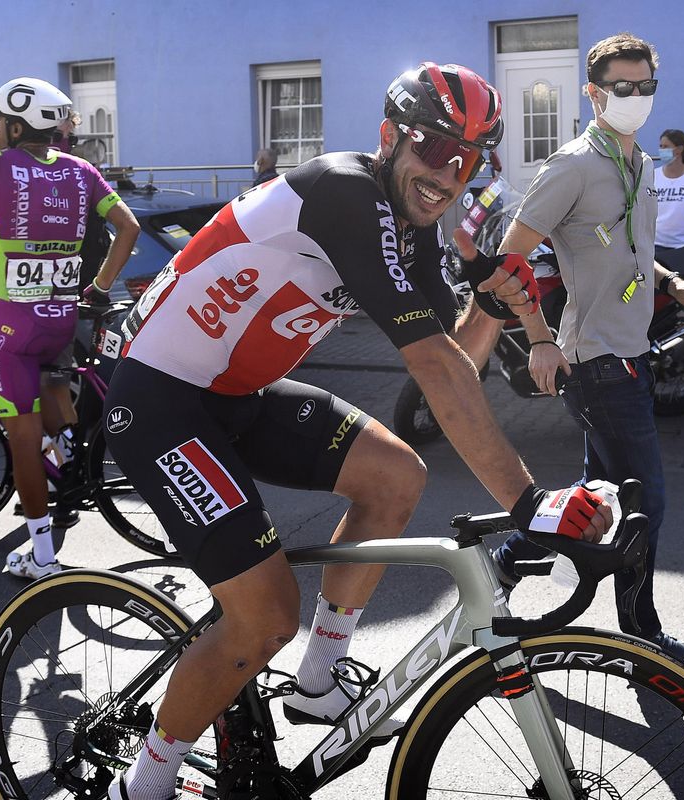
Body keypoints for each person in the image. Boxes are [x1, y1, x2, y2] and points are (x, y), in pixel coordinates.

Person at [101, 62, 612, 800]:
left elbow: (447, 369)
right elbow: (437, 370)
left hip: (236, 393)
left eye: (467, 161)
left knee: (396, 474)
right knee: (264, 617)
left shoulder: (417, 232)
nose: (448, 174)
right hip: (161, 399)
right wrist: (530, 502)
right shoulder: (345, 191)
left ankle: (320, 678)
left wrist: (492, 310)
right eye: (432, 149)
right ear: (387, 139)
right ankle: (143, 784)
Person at [486, 32, 684, 674]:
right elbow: (509, 259)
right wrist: (538, 337)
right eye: (624, 88)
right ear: (594, 94)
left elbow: (632, 250)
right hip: (595, 364)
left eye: (646, 87)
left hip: (632, 354)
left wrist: (674, 282)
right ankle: (644, 638)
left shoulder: (640, 163)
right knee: (649, 504)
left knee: (594, 498)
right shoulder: (572, 166)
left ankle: (501, 571)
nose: (637, 98)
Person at [0, 77, 141, 578]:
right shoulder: (82, 172)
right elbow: (129, 227)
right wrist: (98, 288)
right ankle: (67, 458)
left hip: (11, 327)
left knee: (22, 439)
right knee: (53, 402)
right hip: (60, 321)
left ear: (14, 126)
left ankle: (42, 556)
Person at [0, 111, 110, 480]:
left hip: (50, 299)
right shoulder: (57, 169)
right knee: (49, 391)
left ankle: (63, 469)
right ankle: (62, 470)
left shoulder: (59, 169)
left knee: (51, 390)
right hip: (53, 299)